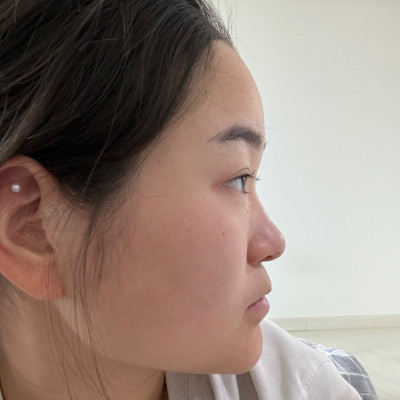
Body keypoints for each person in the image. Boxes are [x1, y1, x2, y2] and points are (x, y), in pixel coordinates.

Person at [0, 1, 363, 399]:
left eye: (251, 178)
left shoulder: (305, 387)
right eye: (238, 179)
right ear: (32, 228)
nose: (273, 242)